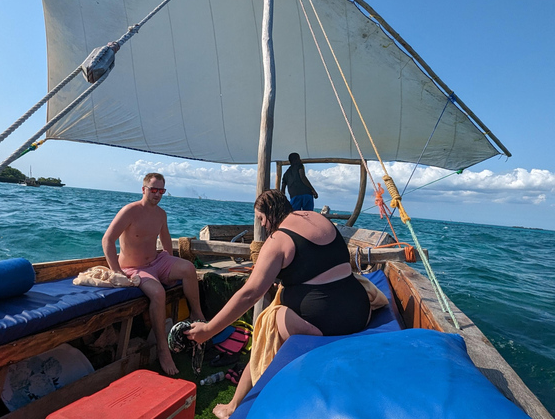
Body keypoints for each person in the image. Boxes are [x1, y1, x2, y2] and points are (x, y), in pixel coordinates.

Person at [185, 189, 370, 419]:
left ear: (270, 214)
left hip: (325, 325)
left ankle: (234, 406)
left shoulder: (278, 240)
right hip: (361, 311)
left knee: (266, 322)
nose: (263, 226)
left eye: (261, 219)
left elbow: (249, 294)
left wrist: (209, 329)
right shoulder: (320, 219)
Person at [102, 172, 205, 375]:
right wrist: (116, 272)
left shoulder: (161, 214)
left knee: (188, 268)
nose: (157, 194)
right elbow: (107, 240)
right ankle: (162, 349)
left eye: (161, 190)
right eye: (153, 189)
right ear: (143, 190)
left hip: (157, 261)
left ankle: (197, 314)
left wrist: (170, 261)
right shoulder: (130, 211)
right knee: (158, 292)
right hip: (134, 267)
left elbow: (166, 241)